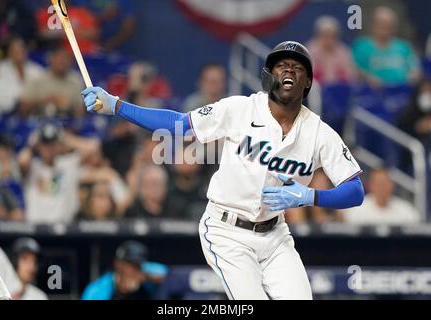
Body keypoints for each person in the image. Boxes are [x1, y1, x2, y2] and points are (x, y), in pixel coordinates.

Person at [81, 41, 365, 300]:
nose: (289, 70)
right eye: (281, 65)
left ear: (308, 83)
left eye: (297, 67)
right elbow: (178, 125)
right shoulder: (239, 109)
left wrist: (309, 196)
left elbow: (355, 190)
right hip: (226, 230)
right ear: (269, 76)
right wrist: (116, 105)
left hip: (276, 235)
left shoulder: (319, 132)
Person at [18, 121, 99, 224]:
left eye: (53, 144)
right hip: (37, 227)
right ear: (39, 146)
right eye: (45, 145)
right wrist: (31, 144)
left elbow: (93, 148)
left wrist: (64, 137)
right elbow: (22, 161)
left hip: (64, 228)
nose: (49, 149)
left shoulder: (67, 164)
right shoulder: (34, 167)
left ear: (59, 145)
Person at [352, 6, 422, 87]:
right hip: (372, 93)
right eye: (381, 24)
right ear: (373, 25)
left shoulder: (403, 47)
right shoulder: (361, 46)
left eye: (388, 24)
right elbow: (354, 69)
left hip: (402, 91)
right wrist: (367, 78)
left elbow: (415, 68)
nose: (384, 28)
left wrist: (413, 75)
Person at [81, 240, 168, 300]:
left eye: (136, 265)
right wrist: (121, 292)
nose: (132, 269)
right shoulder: (101, 287)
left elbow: (172, 276)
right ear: (117, 264)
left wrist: (147, 278)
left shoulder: (144, 271)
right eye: (128, 264)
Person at [19, 46, 84, 118]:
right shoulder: (37, 78)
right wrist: (45, 101)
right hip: (38, 121)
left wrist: (69, 105)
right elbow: (23, 107)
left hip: (67, 121)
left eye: (66, 59)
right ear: (51, 59)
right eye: (59, 58)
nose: (62, 62)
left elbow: (80, 111)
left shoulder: (76, 80)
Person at [343, 168, 420, 225]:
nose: (382, 187)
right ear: (370, 186)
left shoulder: (406, 210)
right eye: (378, 184)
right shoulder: (357, 210)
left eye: (385, 183)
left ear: (392, 186)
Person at [307, 16, 356, 85]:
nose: (329, 40)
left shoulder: (343, 51)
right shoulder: (310, 50)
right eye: (325, 36)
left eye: (332, 36)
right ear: (318, 35)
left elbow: (351, 78)